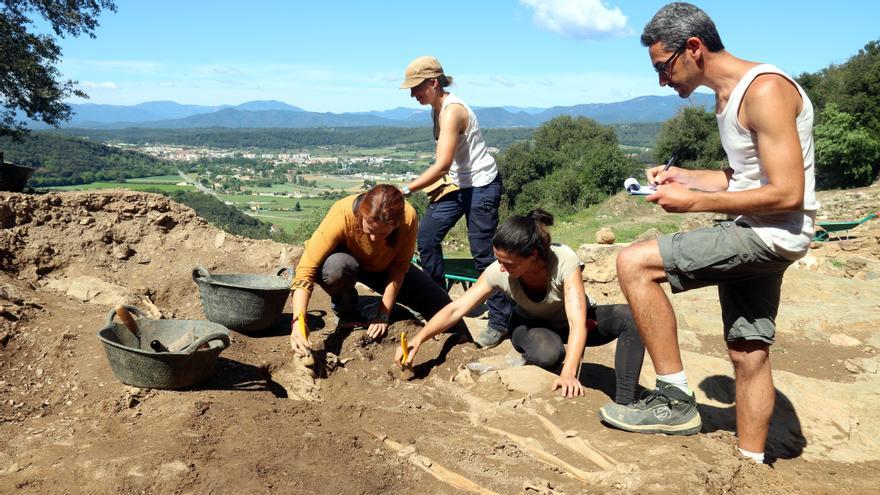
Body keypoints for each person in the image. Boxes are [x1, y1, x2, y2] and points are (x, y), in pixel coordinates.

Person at [598, 3, 819, 464]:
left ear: (693, 49)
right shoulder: (731, 96)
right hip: (767, 232)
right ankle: (751, 463)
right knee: (748, 351)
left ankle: (674, 402)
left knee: (634, 263)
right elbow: (745, 177)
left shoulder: (764, 91)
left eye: (663, 66)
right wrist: (688, 178)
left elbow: (787, 193)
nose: (662, 80)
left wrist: (698, 203)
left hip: (769, 233)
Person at [395, 209, 645, 404]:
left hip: (573, 322)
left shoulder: (564, 260)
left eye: (509, 263)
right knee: (549, 354)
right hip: (530, 325)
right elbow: (456, 308)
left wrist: (569, 373)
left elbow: (578, 321)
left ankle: (626, 400)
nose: (502, 268)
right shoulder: (499, 271)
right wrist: (420, 338)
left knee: (631, 316)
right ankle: (530, 357)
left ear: (533, 256)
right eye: (498, 260)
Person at [398, 56, 512, 348]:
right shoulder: (435, 108)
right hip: (458, 185)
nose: (413, 94)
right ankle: (437, 303)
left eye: (417, 88)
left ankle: (501, 321)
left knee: (484, 255)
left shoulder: (452, 112)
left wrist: (405, 190)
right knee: (426, 237)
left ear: (434, 82)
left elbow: (441, 164)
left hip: (483, 186)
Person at [289, 184, 467, 356]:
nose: (374, 239)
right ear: (361, 215)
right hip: (344, 264)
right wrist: (298, 322)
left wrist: (383, 313)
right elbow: (306, 270)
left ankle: (465, 348)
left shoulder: (408, 218)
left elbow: (399, 269)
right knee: (338, 268)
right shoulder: (342, 212)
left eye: (382, 233)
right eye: (369, 230)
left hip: (383, 266)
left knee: (440, 302)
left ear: (396, 224)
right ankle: (346, 308)